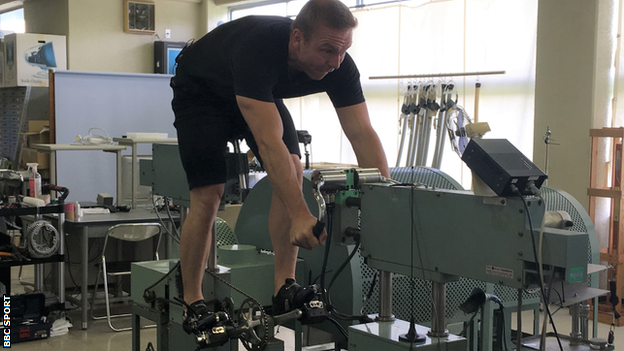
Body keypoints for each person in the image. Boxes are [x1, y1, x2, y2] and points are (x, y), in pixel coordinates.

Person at [170, 0, 390, 334]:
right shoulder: (259, 48)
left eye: (343, 51)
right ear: (298, 38)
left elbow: (361, 133)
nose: (335, 62)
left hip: (257, 91)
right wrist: (301, 214)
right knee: (209, 194)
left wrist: (384, 203)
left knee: (292, 164)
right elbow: (268, 143)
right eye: (327, 50)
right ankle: (192, 301)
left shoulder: (341, 66)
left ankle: (283, 287)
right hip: (201, 92)